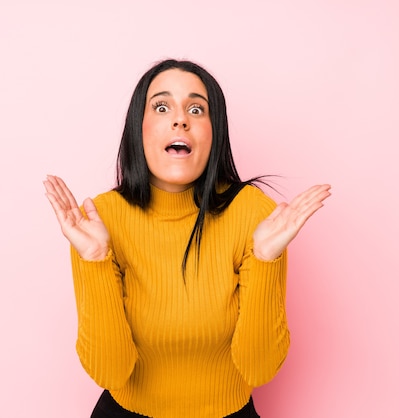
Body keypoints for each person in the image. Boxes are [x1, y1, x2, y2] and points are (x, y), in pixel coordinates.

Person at [43, 59, 331, 418]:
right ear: (140, 128)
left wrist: (265, 257)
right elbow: (109, 372)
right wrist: (95, 259)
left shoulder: (255, 213)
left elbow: (259, 369)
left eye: (197, 109)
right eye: (161, 107)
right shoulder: (99, 221)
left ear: (215, 133)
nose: (180, 119)